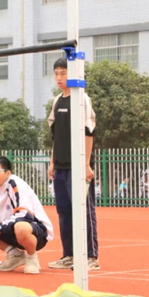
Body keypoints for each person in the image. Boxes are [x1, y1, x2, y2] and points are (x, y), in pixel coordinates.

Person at [48, 58, 100, 271]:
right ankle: (69, 254)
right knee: (64, 211)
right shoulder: (57, 101)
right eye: (57, 73)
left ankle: (90, 256)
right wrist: (52, 162)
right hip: (60, 166)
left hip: (78, 166)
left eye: (64, 73)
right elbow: (55, 136)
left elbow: (89, 132)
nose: (60, 78)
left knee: (84, 211)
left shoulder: (82, 99)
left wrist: (86, 164)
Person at [0, 156, 53, 275]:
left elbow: (24, 214)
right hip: (10, 227)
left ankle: (31, 257)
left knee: (21, 227)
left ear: (7, 173)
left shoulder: (15, 185)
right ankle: (15, 254)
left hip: (37, 230)